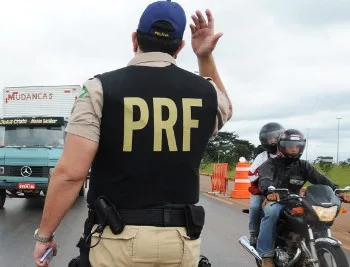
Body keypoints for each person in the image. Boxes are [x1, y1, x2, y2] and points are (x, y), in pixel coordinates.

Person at [33, 1, 232, 267]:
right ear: (180, 47)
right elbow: (224, 107)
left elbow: (71, 173)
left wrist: (45, 236)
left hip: (116, 241)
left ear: (134, 39)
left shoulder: (99, 89)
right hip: (181, 242)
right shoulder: (205, 93)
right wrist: (205, 57)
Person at [256, 129, 350, 267]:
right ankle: (266, 255)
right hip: (277, 200)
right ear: (282, 146)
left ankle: (311, 244)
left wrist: (337, 190)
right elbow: (265, 179)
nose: (294, 149)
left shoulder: (304, 166)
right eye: (290, 145)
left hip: (296, 200)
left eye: (297, 146)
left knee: (316, 216)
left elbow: (322, 180)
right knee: (271, 212)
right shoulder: (270, 164)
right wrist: (269, 191)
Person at [248, 122, 284, 246]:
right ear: (265, 141)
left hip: (283, 191)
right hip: (260, 190)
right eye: (271, 139)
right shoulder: (262, 157)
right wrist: (263, 176)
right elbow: (251, 174)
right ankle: (253, 233)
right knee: (255, 207)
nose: (275, 141)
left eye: (277, 137)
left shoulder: (287, 155)